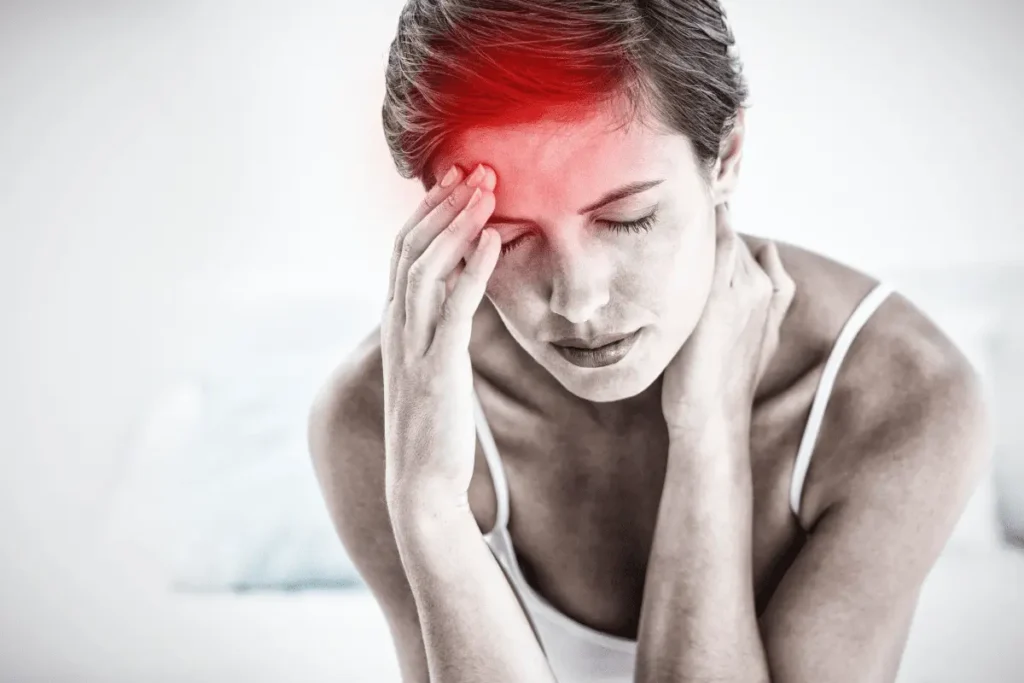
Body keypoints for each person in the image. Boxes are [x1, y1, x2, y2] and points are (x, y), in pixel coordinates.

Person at [307, 2, 990, 681]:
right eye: (509, 237)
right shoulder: (376, 421)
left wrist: (707, 434)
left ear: (723, 157)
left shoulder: (902, 397)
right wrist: (430, 508)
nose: (577, 298)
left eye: (627, 219)